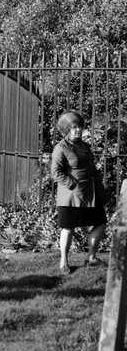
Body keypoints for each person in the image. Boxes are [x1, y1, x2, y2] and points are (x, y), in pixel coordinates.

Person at [50, 110, 107, 275]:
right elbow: (56, 173)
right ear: (66, 129)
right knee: (68, 229)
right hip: (70, 196)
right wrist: (72, 184)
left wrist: (100, 188)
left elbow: (92, 168)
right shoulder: (60, 148)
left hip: (90, 194)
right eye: (73, 127)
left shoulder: (85, 146)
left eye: (79, 127)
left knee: (101, 223)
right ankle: (63, 261)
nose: (77, 130)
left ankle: (91, 257)